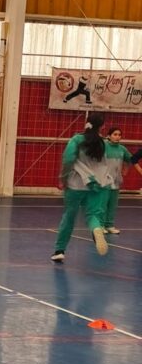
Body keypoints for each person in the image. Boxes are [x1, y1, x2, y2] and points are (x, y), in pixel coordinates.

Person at [51, 112, 113, 263]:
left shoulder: (76, 139)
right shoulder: (103, 143)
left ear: (86, 122)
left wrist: (63, 179)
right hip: (97, 184)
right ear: (102, 127)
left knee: (69, 216)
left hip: (75, 184)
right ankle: (96, 229)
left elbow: (68, 159)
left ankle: (60, 250)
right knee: (93, 215)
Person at [102, 127, 142, 235]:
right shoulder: (103, 146)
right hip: (103, 181)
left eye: (119, 135)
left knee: (112, 205)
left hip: (116, 181)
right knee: (102, 205)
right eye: (115, 134)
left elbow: (131, 159)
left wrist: (126, 169)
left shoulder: (122, 149)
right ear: (109, 136)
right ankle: (100, 225)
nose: (117, 137)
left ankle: (109, 225)